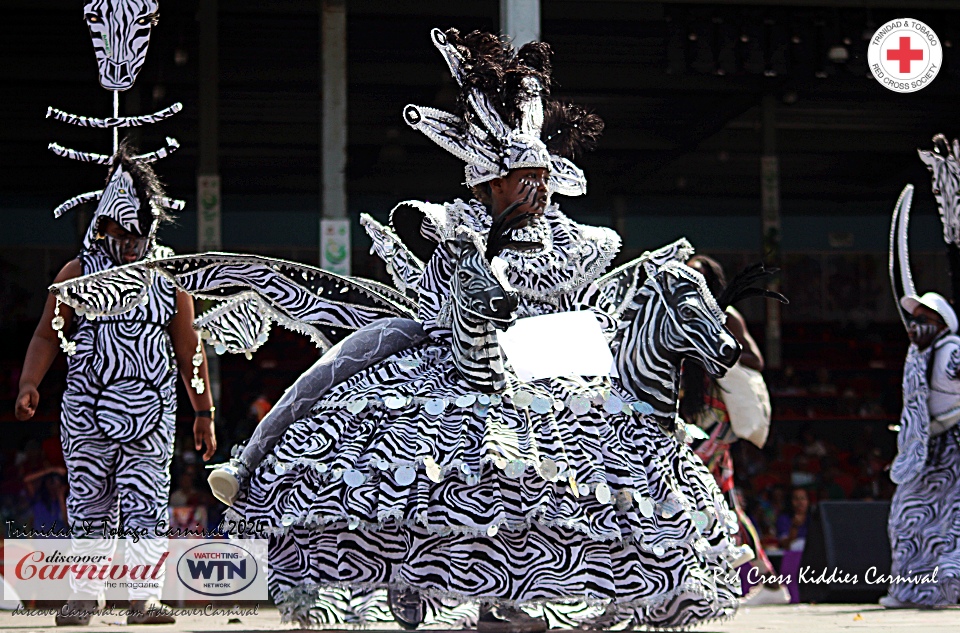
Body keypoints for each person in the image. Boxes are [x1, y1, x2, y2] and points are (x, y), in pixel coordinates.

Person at [206, 28, 744, 631]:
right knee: (361, 363)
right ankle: (252, 462)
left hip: (558, 366)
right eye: (521, 177)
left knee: (572, 480)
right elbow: (456, 302)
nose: (535, 186)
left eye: (540, 174)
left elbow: (584, 310)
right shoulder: (452, 227)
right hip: (454, 353)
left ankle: (528, 596)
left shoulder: (582, 240)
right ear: (489, 183)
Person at [14, 146, 215, 625]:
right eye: (117, 231)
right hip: (86, 407)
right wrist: (29, 382)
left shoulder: (169, 277)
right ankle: (86, 594)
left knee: (145, 503)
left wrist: (203, 412)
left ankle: (142, 597)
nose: (126, 242)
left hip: (150, 409)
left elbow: (190, 349)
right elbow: (46, 332)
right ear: (102, 224)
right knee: (89, 503)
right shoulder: (78, 273)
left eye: (135, 234)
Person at [682, 255, 791, 606]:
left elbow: (756, 361)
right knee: (724, 501)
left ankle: (696, 578)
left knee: (685, 481)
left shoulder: (726, 317)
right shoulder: (684, 317)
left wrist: (723, 344)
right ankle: (769, 582)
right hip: (697, 418)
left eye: (697, 276)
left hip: (720, 417)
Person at [880, 292, 960, 608]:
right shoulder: (918, 354)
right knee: (907, 518)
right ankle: (909, 590)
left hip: (954, 446)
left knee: (951, 522)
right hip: (928, 449)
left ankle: (945, 590)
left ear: (942, 325)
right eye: (915, 318)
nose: (917, 324)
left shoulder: (952, 349)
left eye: (925, 319)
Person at [775, 487, 810, 551]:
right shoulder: (783, 519)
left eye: (803, 498)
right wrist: (795, 526)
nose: (800, 502)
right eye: (796, 499)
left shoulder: (813, 519)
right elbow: (786, 545)